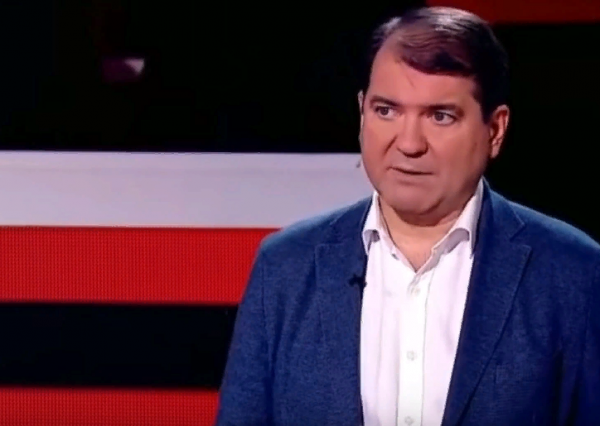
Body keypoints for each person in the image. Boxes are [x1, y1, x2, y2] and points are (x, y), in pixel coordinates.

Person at [215, 6, 600, 426]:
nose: (409, 143)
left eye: (440, 116)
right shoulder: (286, 266)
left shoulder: (572, 272)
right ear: (361, 112)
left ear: (495, 130)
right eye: (387, 111)